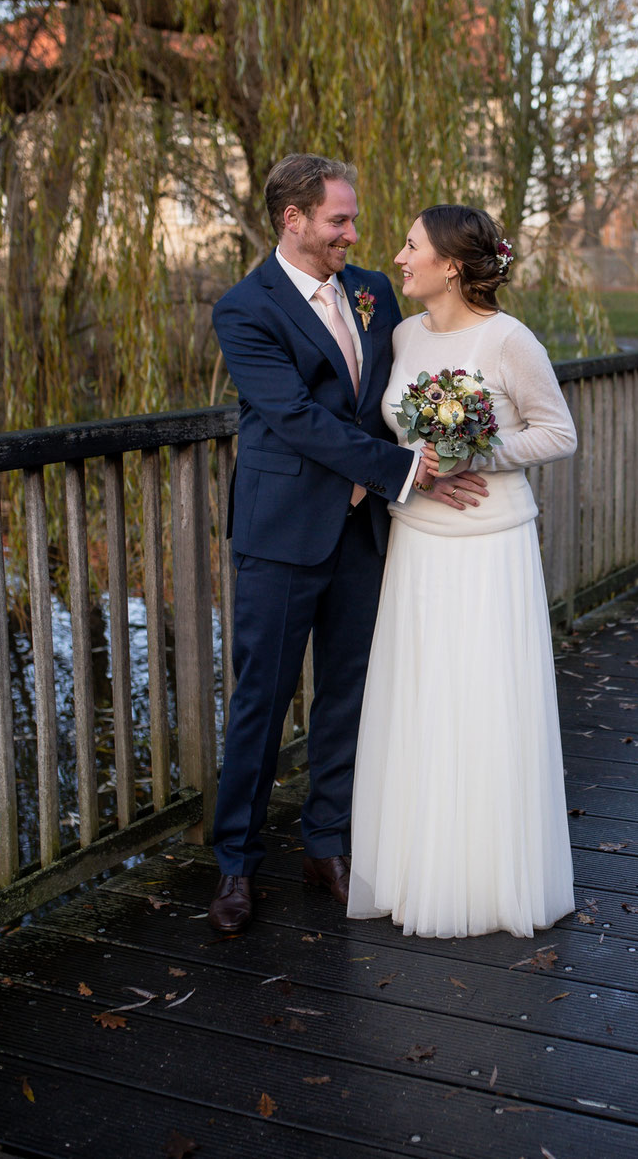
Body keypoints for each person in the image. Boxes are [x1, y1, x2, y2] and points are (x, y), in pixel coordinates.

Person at [208, 156, 486, 934]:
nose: (353, 235)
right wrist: (404, 470)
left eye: (354, 220)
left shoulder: (371, 290)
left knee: (348, 695)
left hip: (361, 531)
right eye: (339, 221)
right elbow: (295, 417)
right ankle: (235, 865)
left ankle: (325, 844)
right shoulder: (244, 309)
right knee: (260, 703)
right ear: (292, 220)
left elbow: (392, 394)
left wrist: (452, 436)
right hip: (282, 533)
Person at [347, 204, 577, 938]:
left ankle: (488, 880)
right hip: (416, 540)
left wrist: (480, 453)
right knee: (421, 700)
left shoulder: (510, 340)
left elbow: (557, 432)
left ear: (450, 264)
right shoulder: (402, 335)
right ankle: (418, 867)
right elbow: (384, 432)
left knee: (482, 700)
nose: (399, 256)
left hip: (488, 544)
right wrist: (409, 470)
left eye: (410, 245)